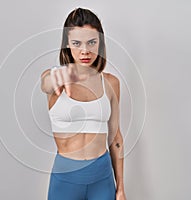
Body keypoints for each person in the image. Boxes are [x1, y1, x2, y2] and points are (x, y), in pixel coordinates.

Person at [40, 7, 127, 200]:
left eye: (92, 42)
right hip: (66, 180)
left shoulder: (111, 83)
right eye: (77, 43)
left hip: (102, 179)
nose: (85, 50)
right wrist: (55, 76)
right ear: (67, 44)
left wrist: (120, 187)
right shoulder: (55, 79)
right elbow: (45, 83)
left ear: (100, 43)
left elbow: (115, 138)